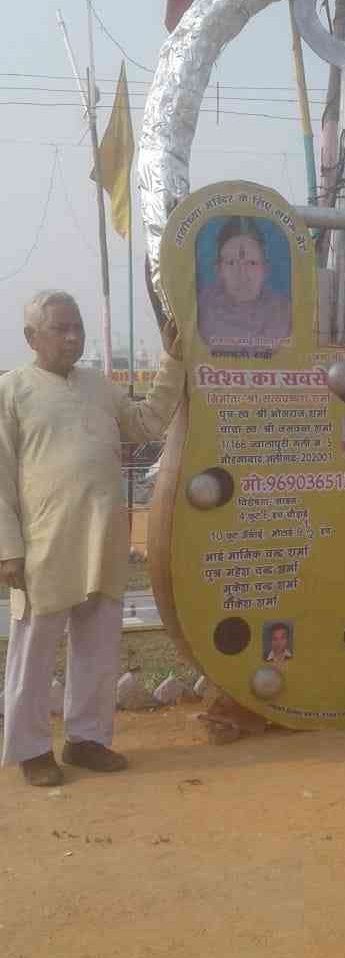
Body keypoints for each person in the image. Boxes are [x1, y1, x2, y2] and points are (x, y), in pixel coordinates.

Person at [0, 290, 185, 787]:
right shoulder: (12, 390)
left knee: (98, 643)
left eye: (76, 326)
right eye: (60, 328)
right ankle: (31, 748)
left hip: (103, 537)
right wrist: (9, 549)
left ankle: (86, 739)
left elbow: (146, 422)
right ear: (30, 338)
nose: (73, 336)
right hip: (44, 543)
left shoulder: (100, 386)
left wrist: (172, 360)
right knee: (34, 649)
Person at [197, 218, 291, 353]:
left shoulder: (283, 312)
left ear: (265, 269)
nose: (242, 274)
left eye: (252, 263)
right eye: (231, 263)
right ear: (218, 270)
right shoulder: (201, 310)